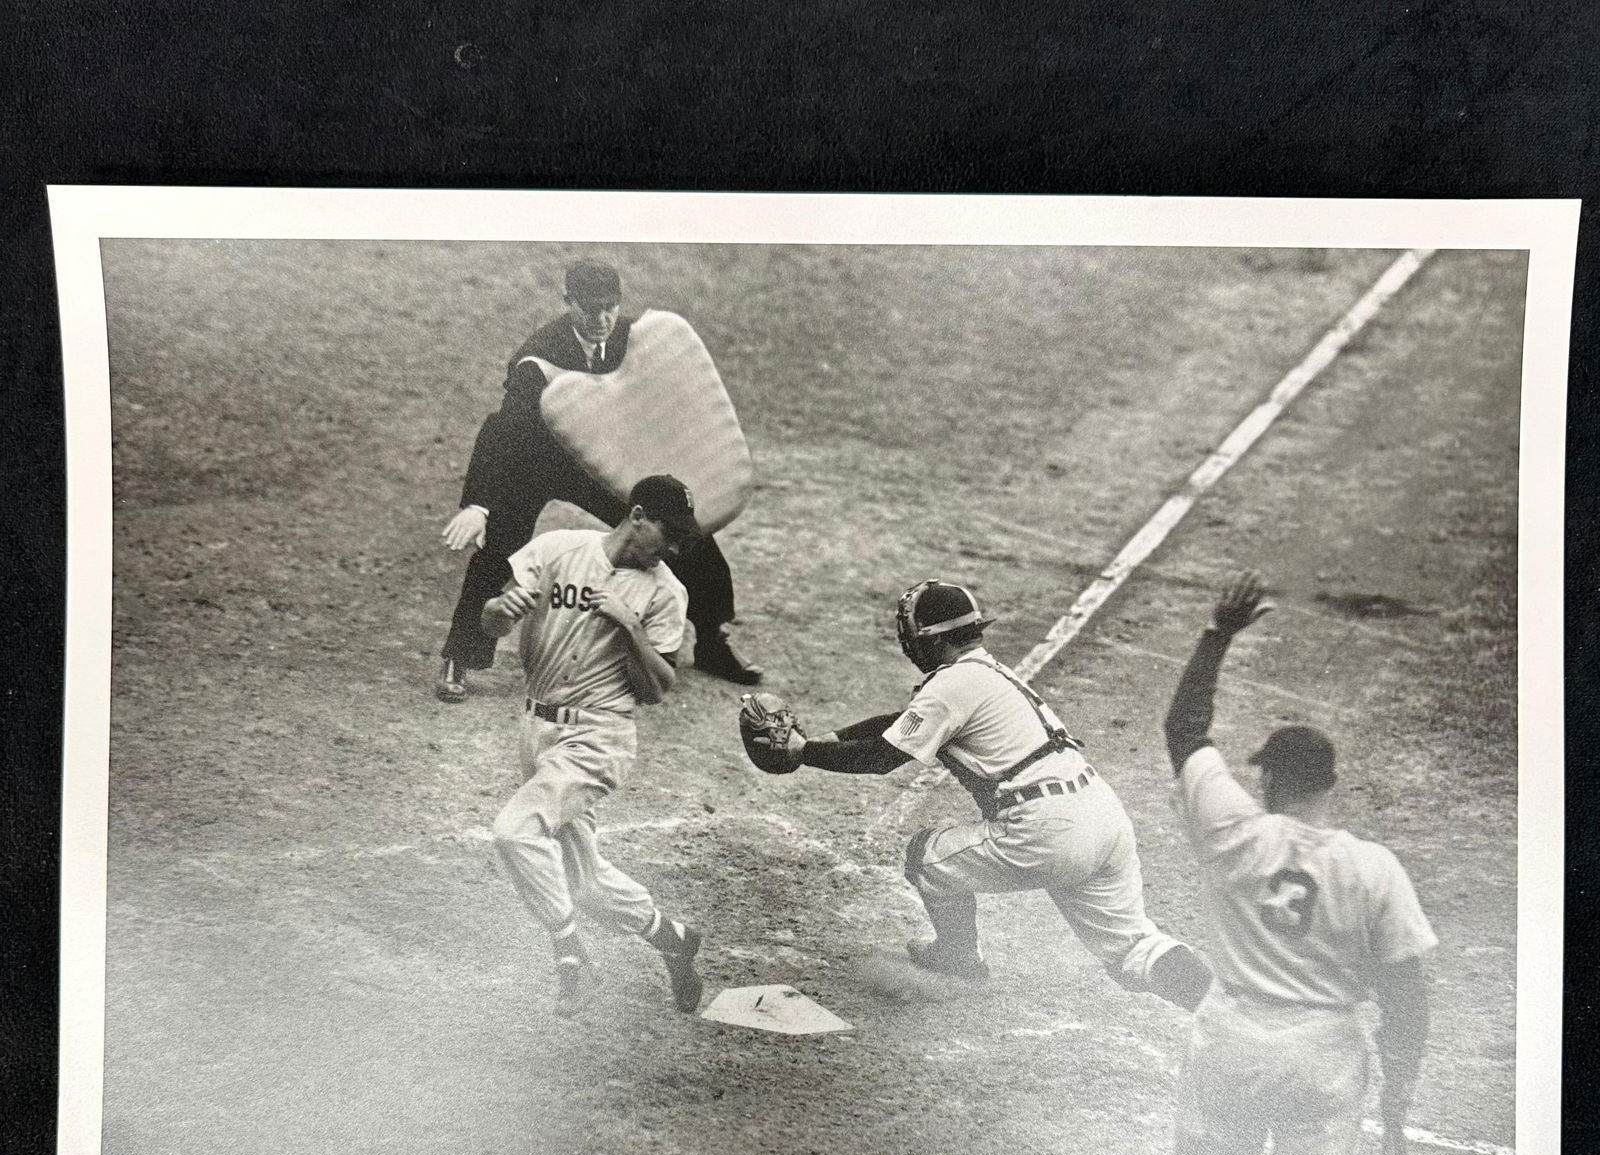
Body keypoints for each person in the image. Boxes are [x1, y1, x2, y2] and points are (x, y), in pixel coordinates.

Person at [1156, 572, 1436, 1155]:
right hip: (1324, 1053)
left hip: (1232, 1036)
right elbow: (1405, 990)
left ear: (1270, 779)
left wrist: (1219, 633)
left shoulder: (1233, 831)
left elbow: (1185, 730)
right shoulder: (1373, 869)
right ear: (1331, 785)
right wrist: (1402, 1074)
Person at [744, 578, 1213, 1008]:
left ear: (930, 639)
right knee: (1134, 949)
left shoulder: (951, 685)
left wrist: (803, 752)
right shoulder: (982, 673)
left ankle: (959, 959)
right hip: (1102, 816)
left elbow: (882, 757)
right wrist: (824, 739)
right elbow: (899, 723)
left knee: (926, 858)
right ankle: (1222, 1008)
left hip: (1046, 829)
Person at [437, 258, 761, 700]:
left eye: (610, 307)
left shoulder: (635, 339)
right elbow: (501, 432)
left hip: (602, 462)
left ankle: (712, 640)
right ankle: (460, 655)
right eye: (590, 308)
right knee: (499, 547)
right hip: (537, 460)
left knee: (683, 530)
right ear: (568, 301)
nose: (602, 319)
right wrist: (478, 505)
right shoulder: (536, 357)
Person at [483, 474, 707, 1017]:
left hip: (599, 737)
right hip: (537, 729)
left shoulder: (665, 592)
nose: (673, 548)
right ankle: (672, 938)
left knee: (515, 831)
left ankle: (569, 954)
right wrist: (498, 612)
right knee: (581, 881)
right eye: (668, 533)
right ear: (637, 516)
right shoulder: (558, 549)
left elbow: (656, 690)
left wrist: (630, 627)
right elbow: (490, 620)